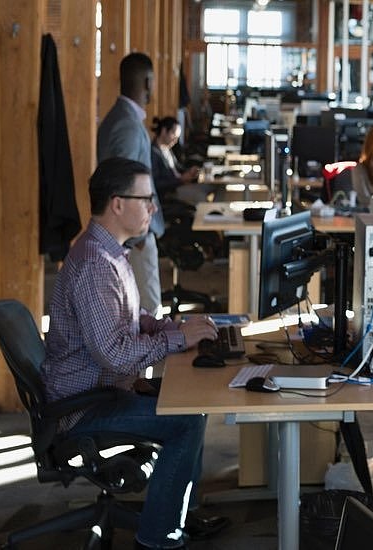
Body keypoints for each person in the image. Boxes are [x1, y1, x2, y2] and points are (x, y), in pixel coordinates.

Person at [42, 158, 229, 549]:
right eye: (146, 199)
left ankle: (177, 514)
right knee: (186, 421)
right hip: (84, 406)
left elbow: (133, 318)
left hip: (105, 389)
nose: (153, 208)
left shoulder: (109, 251)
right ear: (117, 204)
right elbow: (115, 354)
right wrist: (177, 341)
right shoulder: (95, 262)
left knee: (192, 401)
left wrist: (177, 329)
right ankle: (158, 538)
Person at [98, 52, 165, 317]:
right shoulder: (126, 125)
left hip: (133, 232)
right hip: (134, 235)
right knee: (150, 313)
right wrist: (137, 235)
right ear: (148, 82)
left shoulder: (120, 118)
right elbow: (121, 183)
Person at [149, 116, 207, 204]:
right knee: (201, 196)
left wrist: (189, 171)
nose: (176, 141)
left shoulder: (167, 148)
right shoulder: (153, 153)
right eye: (174, 136)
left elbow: (176, 167)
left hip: (179, 185)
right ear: (164, 131)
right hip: (169, 193)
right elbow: (156, 183)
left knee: (211, 187)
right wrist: (180, 180)